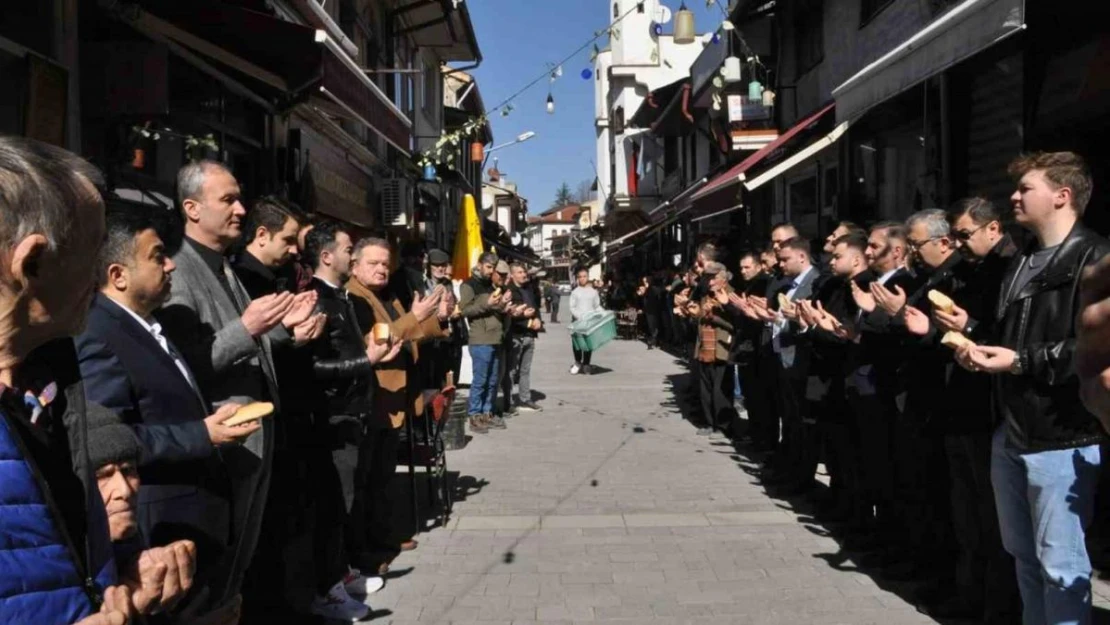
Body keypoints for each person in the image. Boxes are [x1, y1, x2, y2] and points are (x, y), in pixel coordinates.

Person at [0, 135, 185, 625]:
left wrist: (123, 578)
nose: (105, 272)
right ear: (31, 264)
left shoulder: (52, 386)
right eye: (93, 251)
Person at [75, 206, 262, 623]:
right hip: (161, 527)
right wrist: (202, 434)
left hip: (196, 527)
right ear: (118, 274)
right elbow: (110, 440)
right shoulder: (100, 336)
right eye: (157, 256)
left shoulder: (146, 325)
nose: (170, 263)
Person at [154, 160, 320, 623]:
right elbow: (183, 365)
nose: (241, 210)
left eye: (239, 198)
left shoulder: (223, 267)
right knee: (213, 577)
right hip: (222, 446)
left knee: (238, 571)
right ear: (191, 208)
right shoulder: (177, 271)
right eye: (227, 199)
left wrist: (288, 329)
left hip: (254, 441)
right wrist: (249, 327)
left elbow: (254, 341)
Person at [956, 152, 1109, 624]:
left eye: (1026, 188)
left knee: (1061, 565)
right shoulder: (1021, 258)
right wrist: (972, 332)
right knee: (1023, 557)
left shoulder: (1096, 257)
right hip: (1014, 426)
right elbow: (1015, 335)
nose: (1014, 197)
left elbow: (1094, 351)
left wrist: (1019, 361)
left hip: (1064, 434)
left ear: (1062, 196)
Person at [903, 197, 1021, 621]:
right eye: (955, 236)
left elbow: (1007, 336)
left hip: (986, 409)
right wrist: (930, 330)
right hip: (958, 404)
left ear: (994, 229)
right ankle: (971, 597)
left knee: (991, 523)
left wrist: (966, 327)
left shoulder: (1012, 268)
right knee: (967, 516)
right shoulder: (968, 269)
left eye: (965, 235)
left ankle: (993, 605)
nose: (959, 243)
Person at [304, 223, 398, 619]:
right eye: (347, 249)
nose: (352, 255)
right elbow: (313, 367)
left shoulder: (339, 298)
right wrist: (367, 360)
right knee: (335, 506)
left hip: (354, 412)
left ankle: (341, 573)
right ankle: (327, 588)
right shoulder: (315, 299)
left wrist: (372, 354)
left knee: (348, 499)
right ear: (327, 256)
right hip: (335, 416)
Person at [346, 237, 447, 562]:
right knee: (369, 480)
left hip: (396, 398)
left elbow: (409, 331)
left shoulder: (386, 294)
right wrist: (414, 317)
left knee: (384, 477)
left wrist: (437, 317)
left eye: (385, 264)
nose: (381, 269)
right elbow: (376, 339)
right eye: (373, 263)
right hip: (376, 398)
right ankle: (369, 548)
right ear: (355, 266)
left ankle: (384, 537)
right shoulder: (355, 297)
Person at [460, 252, 509, 432]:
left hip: (496, 338)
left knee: (493, 379)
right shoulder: (469, 284)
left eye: (493, 268)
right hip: (480, 339)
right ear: (480, 264)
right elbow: (464, 310)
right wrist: (487, 303)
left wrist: (503, 304)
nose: (491, 272)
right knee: (480, 380)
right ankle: (475, 415)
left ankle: (487, 412)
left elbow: (495, 310)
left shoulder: (491, 285)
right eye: (488, 267)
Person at [506, 263, 543, 412]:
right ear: (513, 275)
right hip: (516, 335)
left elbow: (535, 307)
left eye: (524, 272)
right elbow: (510, 314)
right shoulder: (509, 290)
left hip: (529, 335)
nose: (523, 275)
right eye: (520, 272)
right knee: (511, 370)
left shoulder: (528, 288)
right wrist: (528, 322)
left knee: (525, 370)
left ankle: (525, 398)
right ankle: (508, 402)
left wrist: (538, 319)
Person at [569, 267, 602, 375]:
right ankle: (578, 362)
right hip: (577, 321)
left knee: (588, 343)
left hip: (589, 321)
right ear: (577, 278)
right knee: (577, 343)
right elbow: (572, 307)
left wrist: (604, 313)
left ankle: (587, 364)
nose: (582, 279)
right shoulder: (575, 292)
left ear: (588, 277)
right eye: (580, 277)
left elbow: (597, 306)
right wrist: (579, 316)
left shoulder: (593, 292)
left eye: (584, 276)